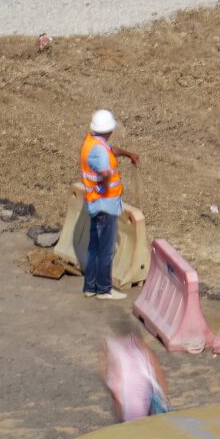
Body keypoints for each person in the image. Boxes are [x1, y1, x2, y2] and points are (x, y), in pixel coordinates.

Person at [78, 110, 139, 301]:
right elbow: (105, 173)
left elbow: (112, 150)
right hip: (105, 205)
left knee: (94, 247)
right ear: (109, 130)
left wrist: (129, 154)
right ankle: (104, 290)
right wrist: (104, 187)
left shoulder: (92, 142)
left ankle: (90, 287)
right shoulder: (99, 151)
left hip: (95, 203)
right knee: (105, 250)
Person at [101, 333, 167, 422]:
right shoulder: (140, 345)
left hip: (131, 412)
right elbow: (159, 374)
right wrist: (162, 395)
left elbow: (116, 394)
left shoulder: (113, 348)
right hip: (147, 405)